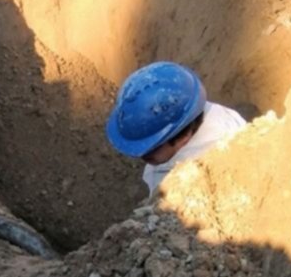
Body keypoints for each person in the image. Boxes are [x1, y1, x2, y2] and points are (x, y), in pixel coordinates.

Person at [105, 61, 247, 194]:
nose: (140, 155)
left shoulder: (193, 181)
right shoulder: (202, 111)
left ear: (182, 137)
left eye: (151, 149)